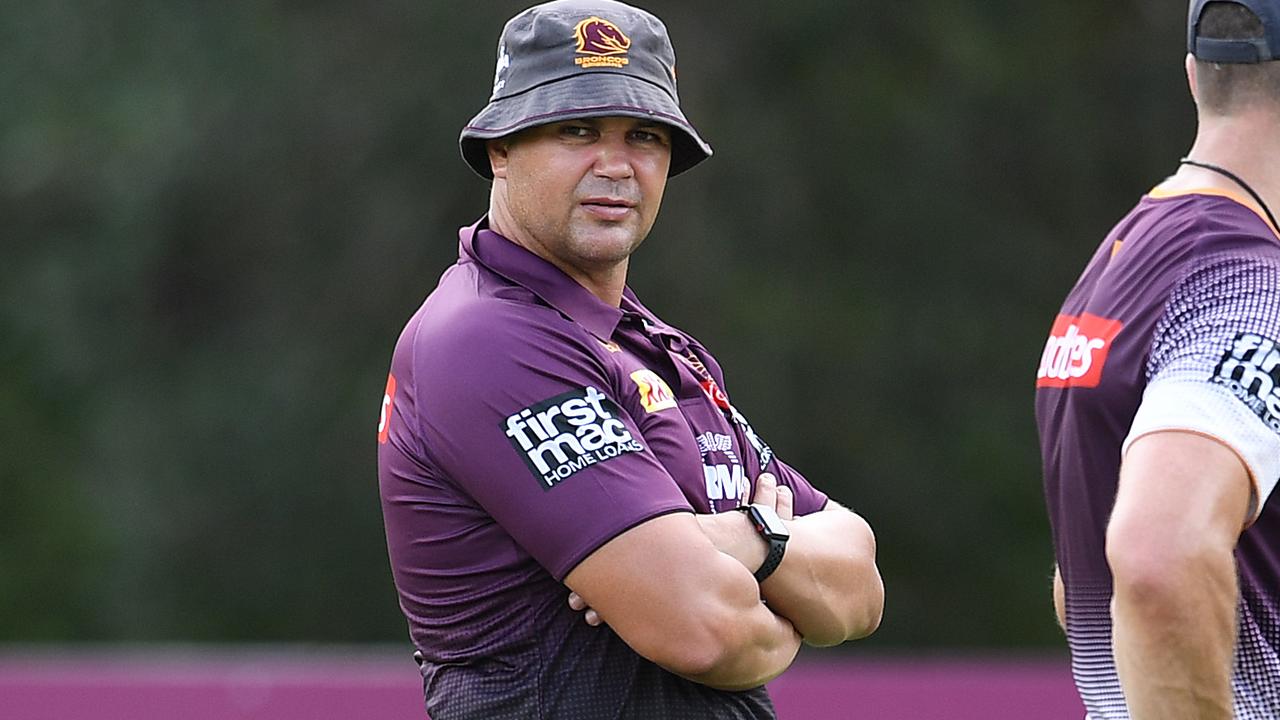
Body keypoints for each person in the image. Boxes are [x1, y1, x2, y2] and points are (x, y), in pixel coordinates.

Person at [375, 1, 884, 718]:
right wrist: (770, 566)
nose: (615, 165)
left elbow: (859, 583)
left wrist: (743, 540)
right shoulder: (486, 337)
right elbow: (709, 630)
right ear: (499, 147)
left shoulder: (653, 344)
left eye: (644, 136)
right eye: (576, 129)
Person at [1036, 1, 1280, 717]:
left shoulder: (1125, 257)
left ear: (1194, 78)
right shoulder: (1246, 283)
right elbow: (1155, 556)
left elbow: (1080, 579)